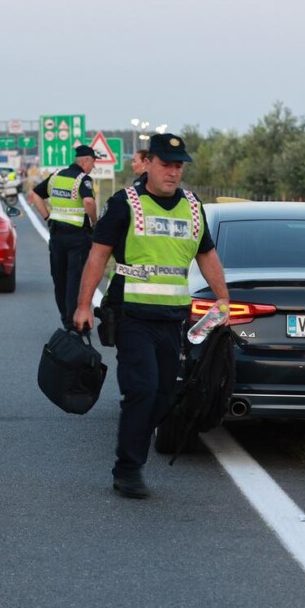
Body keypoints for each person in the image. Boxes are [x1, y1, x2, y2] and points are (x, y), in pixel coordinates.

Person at [73, 133, 230, 499]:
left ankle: (133, 456)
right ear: (148, 164)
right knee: (141, 390)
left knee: (163, 396)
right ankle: (128, 469)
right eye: (166, 165)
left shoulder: (193, 207)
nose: (173, 173)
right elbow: (98, 255)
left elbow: (206, 255)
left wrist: (223, 299)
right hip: (132, 317)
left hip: (173, 320)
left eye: (179, 166)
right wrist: (83, 305)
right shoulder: (125, 203)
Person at [31, 145, 99, 331]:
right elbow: (88, 201)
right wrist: (95, 222)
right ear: (85, 161)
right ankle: (74, 322)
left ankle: (65, 318)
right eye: (93, 162)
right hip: (77, 237)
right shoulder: (83, 179)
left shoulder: (56, 176)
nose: (93, 167)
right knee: (75, 279)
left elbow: (36, 194)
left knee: (59, 279)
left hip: (56, 235)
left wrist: (46, 216)